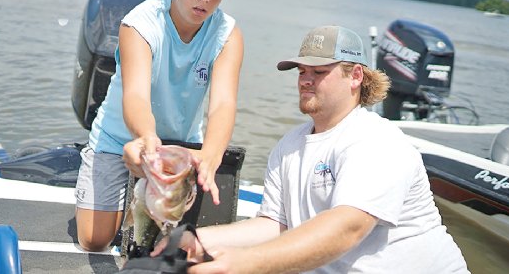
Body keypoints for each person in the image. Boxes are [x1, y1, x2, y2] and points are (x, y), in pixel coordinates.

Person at [156, 25, 469, 273]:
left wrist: (247, 263)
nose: (306, 80)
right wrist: (195, 238)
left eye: (319, 72)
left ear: (355, 76)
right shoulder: (289, 145)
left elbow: (347, 229)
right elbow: (275, 225)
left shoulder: (377, 140)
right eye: (301, 71)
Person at [74, 0, 244, 252]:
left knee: (178, 246)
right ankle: (109, 186)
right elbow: (136, 95)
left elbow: (223, 103)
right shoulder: (139, 23)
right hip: (122, 138)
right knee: (94, 241)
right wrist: (147, 139)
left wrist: (211, 154)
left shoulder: (228, 34)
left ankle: (143, 198)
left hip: (182, 144)